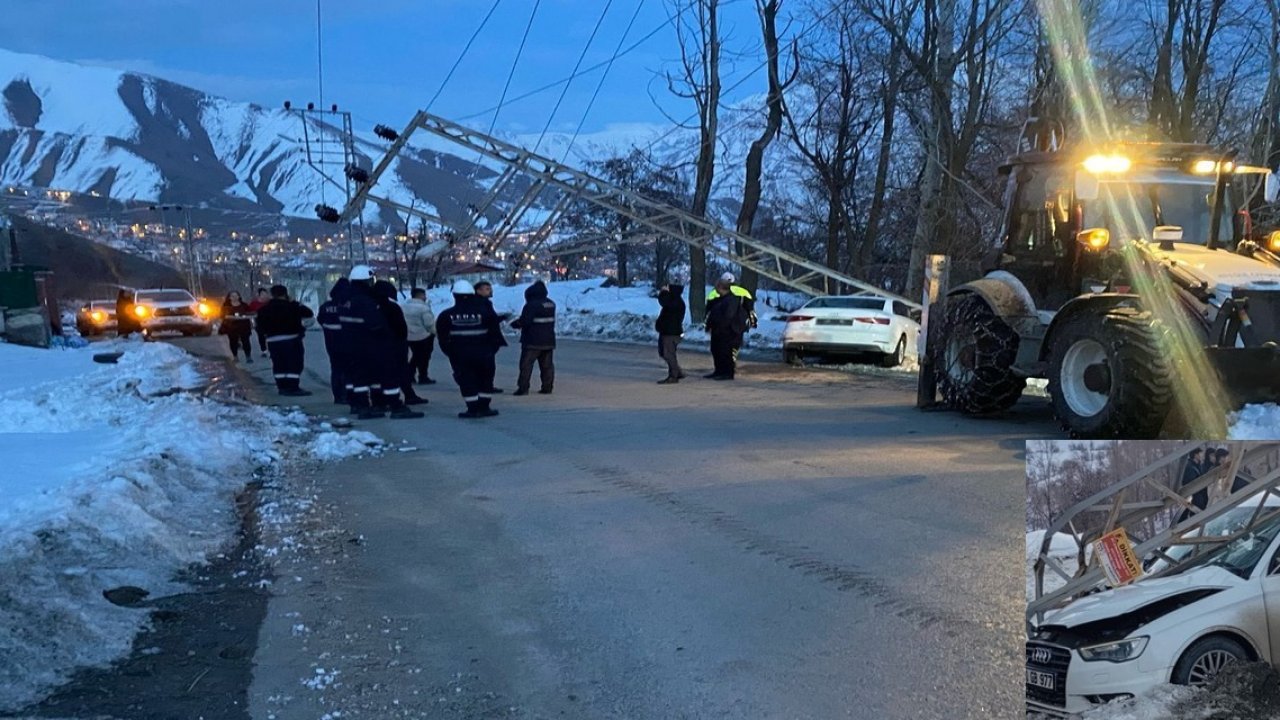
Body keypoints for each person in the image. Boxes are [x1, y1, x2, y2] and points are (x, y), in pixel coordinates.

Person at [340, 267, 424, 420]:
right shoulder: (367, 302)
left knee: (360, 379)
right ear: (367, 281)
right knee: (388, 376)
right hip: (374, 346)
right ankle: (395, 406)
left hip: (352, 346)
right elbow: (376, 325)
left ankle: (363, 406)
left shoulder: (347, 301)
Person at [437, 280, 505, 418]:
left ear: (455, 295)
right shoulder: (486, 312)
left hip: (460, 356)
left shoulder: (446, 315)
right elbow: (495, 334)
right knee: (486, 379)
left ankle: (472, 408)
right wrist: (491, 351)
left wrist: (451, 353)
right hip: (484, 354)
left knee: (466, 380)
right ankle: (484, 407)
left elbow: (443, 339)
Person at [373, 279, 428, 408]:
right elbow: (401, 328)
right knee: (400, 371)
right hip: (395, 345)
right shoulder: (392, 307)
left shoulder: (370, 306)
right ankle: (407, 396)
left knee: (378, 374)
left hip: (375, 346)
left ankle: (379, 400)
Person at [254, 285, 314, 396]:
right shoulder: (292, 306)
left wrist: (267, 334)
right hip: (291, 340)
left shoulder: (263, 309)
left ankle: (282, 387)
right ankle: (293, 387)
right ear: (285, 294)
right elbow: (308, 313)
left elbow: (259, 327)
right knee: (294, 363)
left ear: (272, 295)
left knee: (278, 364)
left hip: (273, 341)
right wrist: (294, 302)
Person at [704, 273, 754, 380]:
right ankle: (719, 371)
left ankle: (727, 373)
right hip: (722, 330)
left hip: (729, 330)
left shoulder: (731, 298)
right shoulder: (726, 295)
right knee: (717, 350)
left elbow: (728, 315)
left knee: (726, 352)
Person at [510, 280, 556, 396]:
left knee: (526, 365)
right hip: (548, 340)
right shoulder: (551, 303)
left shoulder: (531, 305)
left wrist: (515, 324)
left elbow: (525, 321)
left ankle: (523, 388)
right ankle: (547, 387)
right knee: (547, 366)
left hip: (532, 340)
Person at [317, 279, 351, 404]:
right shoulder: (349, 305)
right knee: (349, 369)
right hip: (348, 342)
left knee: (336, 369)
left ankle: (338, 396)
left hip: (331, 343)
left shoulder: (325, 306)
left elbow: (320, 320)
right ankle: (348, 394)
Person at [472, 279, 508, 392]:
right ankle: (485, 386)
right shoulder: (481, 303)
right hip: (486, 339)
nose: (490, 291)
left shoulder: (483, 303)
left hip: (485, 339)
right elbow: (487, 319)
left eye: (490, 289)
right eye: (487, 289)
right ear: (478, 291)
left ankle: (483, 385)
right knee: (487, 365)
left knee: (484, 365)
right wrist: (501, 318)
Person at [402, 288, 437, 384]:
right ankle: (422, 376)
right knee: (423, 357)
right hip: (423, 336)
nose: (425, 297)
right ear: (420, 295)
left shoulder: (403, 306)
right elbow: (429, 324)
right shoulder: (423, 308)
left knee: (416, 356)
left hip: (408, 336)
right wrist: (436, 333)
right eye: (424, 295)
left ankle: (410, 375)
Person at [655, 283, 687, 384]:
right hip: (669, 331)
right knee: (665, 353)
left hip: (671, 333)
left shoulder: (675, 301)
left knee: (668, 354)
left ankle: (674, 375)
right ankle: (677, 371)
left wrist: (663, 292)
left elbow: (663, 301)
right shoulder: (676, 300)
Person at [220, 291, 254, 363]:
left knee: (246, 341)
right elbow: (222, 316)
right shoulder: (226, 306)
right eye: (232, 296)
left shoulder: (244, 305)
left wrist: (245, 316)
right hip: (231, 327)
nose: (234, 297)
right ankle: (235, 356)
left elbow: (250, 313)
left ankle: (248, 356)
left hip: (244, 326)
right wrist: (231, 317)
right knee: (233, 342)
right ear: (229, 297)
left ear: (239, 296)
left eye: (236, 296)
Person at [248, 287, 271, 357]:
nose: (264, 296)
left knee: (270, 336)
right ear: (259, 295)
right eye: (262, 294)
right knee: (261, 337)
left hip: (269, 322)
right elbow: (249, 312)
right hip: (258, 322)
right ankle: (264, 351)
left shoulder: (269, 302)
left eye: (265, 294)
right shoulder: (254, 303)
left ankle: (271, 351)